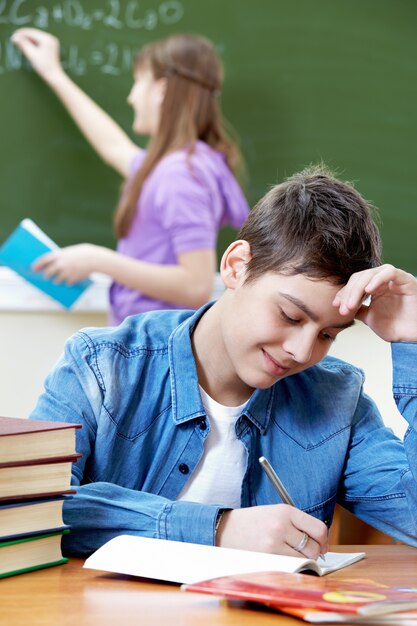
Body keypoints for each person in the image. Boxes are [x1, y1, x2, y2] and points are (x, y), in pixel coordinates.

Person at [28, 165, 417, 558]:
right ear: (236, 266)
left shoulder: (337, 401)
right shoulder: (102, 366)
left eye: (327, 335)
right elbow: (29, 509)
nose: (302, 351)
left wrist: (414, 343)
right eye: (289, 316)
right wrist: (216, 528)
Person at [12, 28, 249, 325]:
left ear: (161, 91)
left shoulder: (180, 174)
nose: (131, 97)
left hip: (155, 349)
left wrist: (98, 260)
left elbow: (195, 285)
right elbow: (113, 146)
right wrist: (53, 73)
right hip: (149, 341)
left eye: (138, 83)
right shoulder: (171, 166)